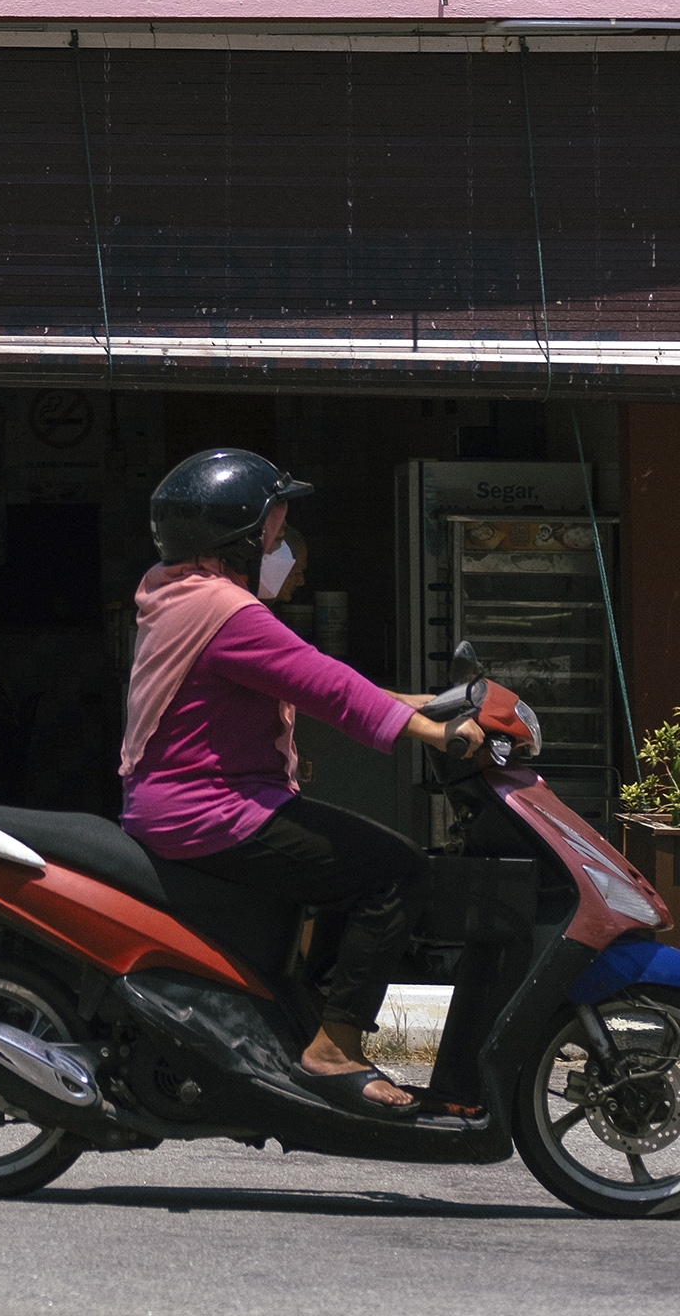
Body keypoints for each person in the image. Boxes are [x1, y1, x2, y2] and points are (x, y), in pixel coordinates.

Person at [120, 446, 485, 1121]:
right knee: (395, 869)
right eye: (276, 533)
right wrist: (437, 735)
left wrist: (425, 705)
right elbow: (326, 686)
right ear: (237, 538)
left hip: (187, 803)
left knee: (353, 861)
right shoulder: (227, 612)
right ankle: (333, 1049)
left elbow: (309, 676)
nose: (282, 548)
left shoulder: (178, 591)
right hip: (209, 809)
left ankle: (312, 1017)